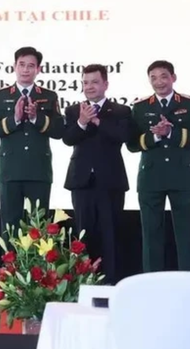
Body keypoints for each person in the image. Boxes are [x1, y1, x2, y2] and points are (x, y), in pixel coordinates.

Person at [62, 64, 131, 284]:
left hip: (110, 181)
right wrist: (82, 122)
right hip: (81, 181)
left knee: (110, 234)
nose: (89, 86)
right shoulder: (74, 111)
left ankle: (110, 282)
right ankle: (83, 282)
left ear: (105, 84)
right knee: (83, 234)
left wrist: (97, 121)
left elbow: (122, 136)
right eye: (85, 82)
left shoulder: (120, 111)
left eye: (94, 82)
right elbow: (68, 138)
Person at [127, 60, 190, 272]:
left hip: (182, 176)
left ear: (173, 78)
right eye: (153, 77)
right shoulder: (140, 106)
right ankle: (151, 282)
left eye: (164, 76)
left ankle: (189, 284)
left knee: (186, 234)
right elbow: (131, 144)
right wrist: (154, 137)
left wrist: (171, 133)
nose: (159, 82)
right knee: (151, 234)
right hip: (151, 177)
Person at [0, 46, 64, 233]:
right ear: (14, 66)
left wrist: (37, 118)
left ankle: (36, 264)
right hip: (10, 171)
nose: (25, 69)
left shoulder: (48, 96)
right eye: (21, 65)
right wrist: (15, 120)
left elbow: (59, 130)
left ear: (38, 69)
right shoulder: (0, 96)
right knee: (10, 226)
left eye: (31, 66)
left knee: (38, 226)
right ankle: (10, 263)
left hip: (39, 169)